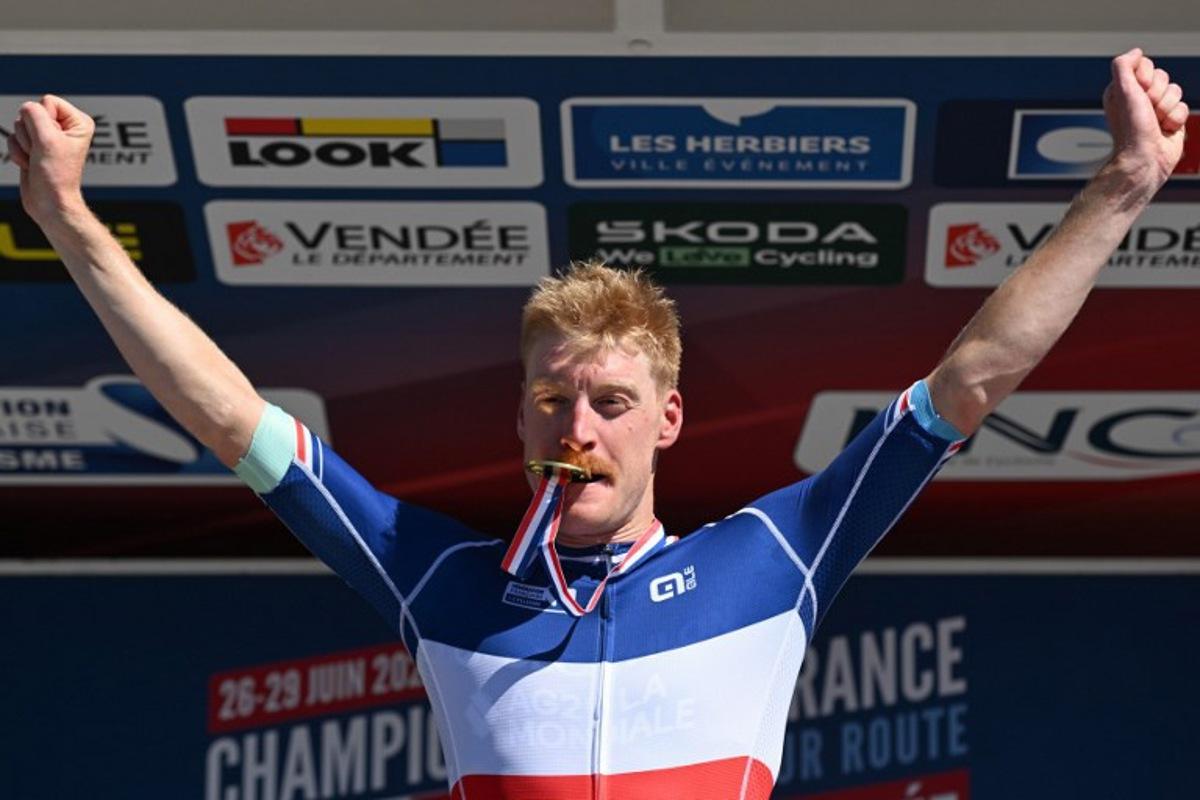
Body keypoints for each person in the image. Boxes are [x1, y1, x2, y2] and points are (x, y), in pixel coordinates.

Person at [10, 49, 1187, 799]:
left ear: (669, 418)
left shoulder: (773, 555)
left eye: (612, 402)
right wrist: (64, 217)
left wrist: (1125, 184)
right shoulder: (435, 574)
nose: (579, 423)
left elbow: (973, 375)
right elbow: (228, 416)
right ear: (519, 415)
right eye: (553, 397)